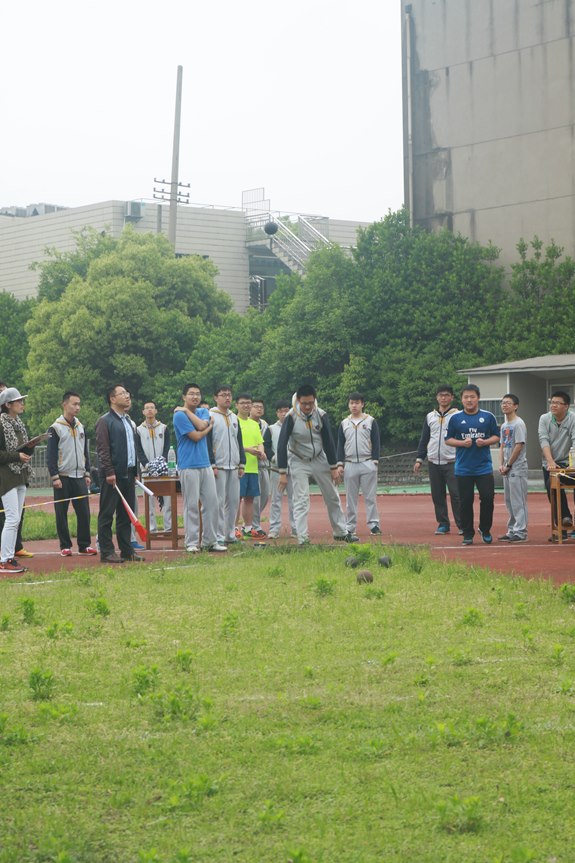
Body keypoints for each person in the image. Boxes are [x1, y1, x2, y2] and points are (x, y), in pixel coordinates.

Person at [276, 384, 355, 545]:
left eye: (310, 403)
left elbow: (328, 441)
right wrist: (283, 473)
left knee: (332, 495)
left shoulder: (321, 414)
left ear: (314, 401)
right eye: (304, 403)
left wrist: (333, 467)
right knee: (301, 500)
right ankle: (303, 538)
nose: (307, 407)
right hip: (298, 459)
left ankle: (340, 531)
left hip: (319, 458)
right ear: (298, 400)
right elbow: (281, 444)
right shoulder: (291, 417)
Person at [173, 383, 226, 553]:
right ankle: (192, 542)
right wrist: (206, 427)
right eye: (191, 394)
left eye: (197, 394)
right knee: (192, 505)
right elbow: (196, 436)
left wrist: (187, 411)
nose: (195, 397)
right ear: (184, 397)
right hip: (188, 465)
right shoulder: (178, 417)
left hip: (205, 464)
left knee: (212, 503)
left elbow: (202, 426)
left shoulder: (200, 411)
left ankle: (210, 541)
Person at [445, 384, 499, 546]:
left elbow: (496, 436)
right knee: (465, 501)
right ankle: (468, 533)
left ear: (478, 398)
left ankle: (485, 529)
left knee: (488, 498)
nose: (469, 400)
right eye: (466, 397)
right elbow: (448, 439)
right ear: (461, 399)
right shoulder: (455, 418)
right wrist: (462, 443)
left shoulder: (488, 417)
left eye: (472, 397)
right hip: (463, 469)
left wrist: (485, 442)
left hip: (484, 467)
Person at [95, 384, 143, 564]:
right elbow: (103, 449)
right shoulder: (105, 421)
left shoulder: (129, 421)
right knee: (107, 514)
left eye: (127, 393)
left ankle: (126, 550)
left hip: (128, 474)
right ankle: (107, 551)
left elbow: (133, 448)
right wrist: (109, 471)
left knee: (125, 515)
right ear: (112, 399)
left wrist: (135, 471)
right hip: (112, 475)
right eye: (122, 393)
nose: (127, 396)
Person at [47, 390, 97, 557]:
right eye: (74, 404)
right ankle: (65, 545)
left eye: (79, 404)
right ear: (65, 405)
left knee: (84, 512)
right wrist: (54, 476)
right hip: (63, 477)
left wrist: (87, 473)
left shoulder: (80, 426)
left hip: (79, 477)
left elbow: (85, 452)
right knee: (61, 513)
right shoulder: (55, 428)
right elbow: (51, 454)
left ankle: (84, 545)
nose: (78, 407)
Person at [413, 385, 462, 535]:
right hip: (434, 461)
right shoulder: (430, 416)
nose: (444, 398)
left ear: (452, 397)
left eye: (447, 395)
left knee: (456, 494)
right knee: (437, 495)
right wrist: (419, 458)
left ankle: (462, 525)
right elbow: (424, 438)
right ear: (437, 397)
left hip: (452, 461)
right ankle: (443, 524)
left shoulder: (458, 416)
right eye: (441, 395)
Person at [0, 388, 38, 574]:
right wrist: (17, 456)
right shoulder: (1, 423)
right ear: (7, 405)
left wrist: (30, 447)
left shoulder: (18, 423)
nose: (22, 403)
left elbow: (21, 450)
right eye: (18, 400)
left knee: (15, 519)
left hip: (21, 475)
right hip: (6, 477)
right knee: (12, 518)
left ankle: (9, 557)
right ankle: (4, 560)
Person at [337, 392, 381, 536]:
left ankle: (373, 524)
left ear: (362, 404)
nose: (354, 405)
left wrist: (375, 461)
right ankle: (350, 526)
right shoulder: (344, 423)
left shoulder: (370, 421)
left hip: (367, 462)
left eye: (356, 403)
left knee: (370, 497)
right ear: (348, 405)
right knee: (350, 498)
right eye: (351, 403)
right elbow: (340, 444)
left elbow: (376, 441)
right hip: (350, 463)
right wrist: (340, 463)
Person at [208, 386, 246, 546]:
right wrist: (212, 463)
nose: (227, 398)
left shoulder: (234, 417)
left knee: (233, 501)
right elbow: (208, 442)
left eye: (229, 395)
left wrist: (242, 462)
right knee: (218, 501)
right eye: (223, 395)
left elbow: (239, 441)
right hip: (219, 465)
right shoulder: (210, 416)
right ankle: (218, 535)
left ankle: (230, 533)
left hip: (234, 465)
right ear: (216, 398)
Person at [538, 391, 575, 529]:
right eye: (552, 402)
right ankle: (563, 522)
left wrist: (573, 462)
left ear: (566, 406)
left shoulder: (573, 418)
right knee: (551, 486)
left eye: (558, 403)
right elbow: (543, 440)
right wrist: (550, 461)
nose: (553, 405)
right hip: (550, 462)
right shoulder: (544, 418)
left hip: (570, 462)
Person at [137, 400, 172, 534]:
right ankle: (152, 528)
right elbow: (138, 450)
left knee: (167, 498)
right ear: (143, 412)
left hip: (163, 469)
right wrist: (147, 465)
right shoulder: (139, 430)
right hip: (146, 470)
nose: (150, 410)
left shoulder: (164, 428)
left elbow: (167, 447)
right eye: (147, 408)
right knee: (149, 501)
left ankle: (168, 528)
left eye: (152, 407)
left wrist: (161, 463)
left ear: (156, 411)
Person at [498, 394, 528, 543]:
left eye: (508, 403)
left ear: (515, 406)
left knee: (518, 501)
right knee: (509, 501)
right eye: (503, 403)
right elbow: (502, 446)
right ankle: (512, 530)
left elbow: (518, 445)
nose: (505, 405)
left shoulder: (519, 424)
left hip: (517, 468)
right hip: (507, 469)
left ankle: (521, 531)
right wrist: (501, 464)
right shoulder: (504, 426)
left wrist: (509, 464)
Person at [235, 394, 265, 538]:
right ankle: (233, 527)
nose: (246, 405)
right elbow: (235, 444)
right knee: (237, 497)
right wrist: (247, 450)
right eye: (243, 403)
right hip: (240, 466)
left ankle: (248, 527)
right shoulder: (234, 421)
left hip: (253, 467)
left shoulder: (254, 423)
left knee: (250, 498)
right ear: (237, 405)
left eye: (248, 403)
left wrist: (261, 451)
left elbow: (260, 442)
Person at [268, 400, 296, 539]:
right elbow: (266, 445)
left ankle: (296, 528)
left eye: (286, 410)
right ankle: (274, 529)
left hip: (293, 470)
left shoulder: (295, 427)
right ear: (277, 413)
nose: (284, 413)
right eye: (281, 411)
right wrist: (273, 457)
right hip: (276, 471)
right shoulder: (271, 429)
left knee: (294, 500)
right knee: (276, 501)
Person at [250, 398, 272, 538]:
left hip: (265, 465)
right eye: (256, 406)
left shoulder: (265, 425)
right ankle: (254, 525)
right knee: (255, 497)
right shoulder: (245, 423)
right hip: (252, 465)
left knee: (265, 495)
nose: (259, 409)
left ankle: (253, 521)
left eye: (261, 407)